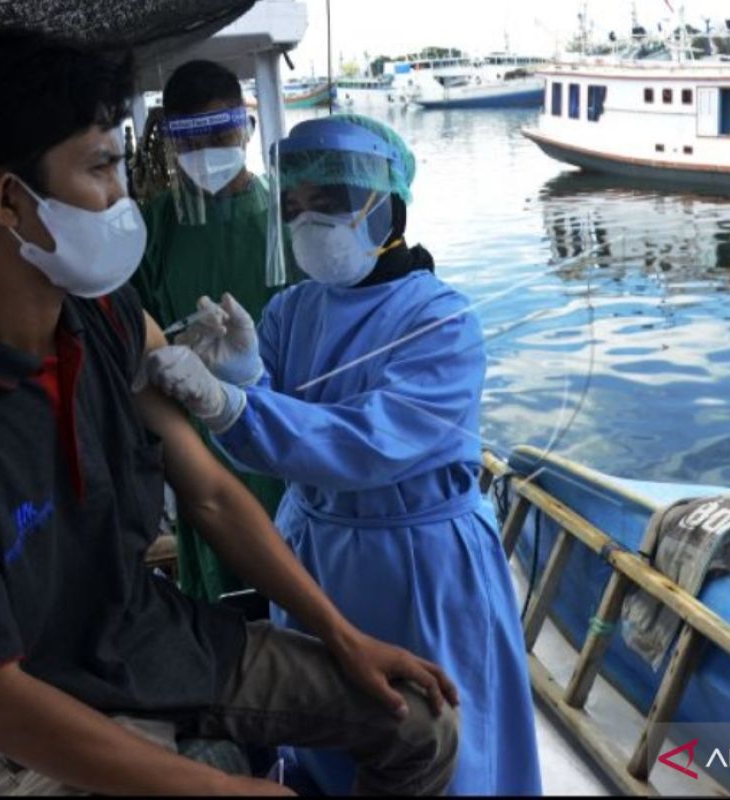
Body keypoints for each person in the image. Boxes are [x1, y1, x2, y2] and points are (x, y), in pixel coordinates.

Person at [0, 17, 458, 796]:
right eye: (103, 167)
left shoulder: (107, 317)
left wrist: (341, 636)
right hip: (29, 720)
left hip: (151, 642)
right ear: (8, 201)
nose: (123, 194)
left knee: (420, 723)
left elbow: (208, 493)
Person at [146, 114, 542, 796]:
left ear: (385, 204)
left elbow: (369, 445)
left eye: (327, 204)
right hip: (316, 552)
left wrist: (234, 404)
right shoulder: (290, 312)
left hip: (420, 561)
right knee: (326, 733)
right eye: (294, 207)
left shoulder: (440, 320)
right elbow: (278, 447)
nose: (307, 222)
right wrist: (246, 380)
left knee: (439, 729)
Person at [130, 60, 298, 603]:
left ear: (246, 128)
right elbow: (137, 331)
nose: (208, 149)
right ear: (171, 143)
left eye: (220, 131)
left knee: (294, 563)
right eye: (190, 138)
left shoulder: (287, 219)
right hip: (197, 434)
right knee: (222, 583)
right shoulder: (154, 227)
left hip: (287, 424)